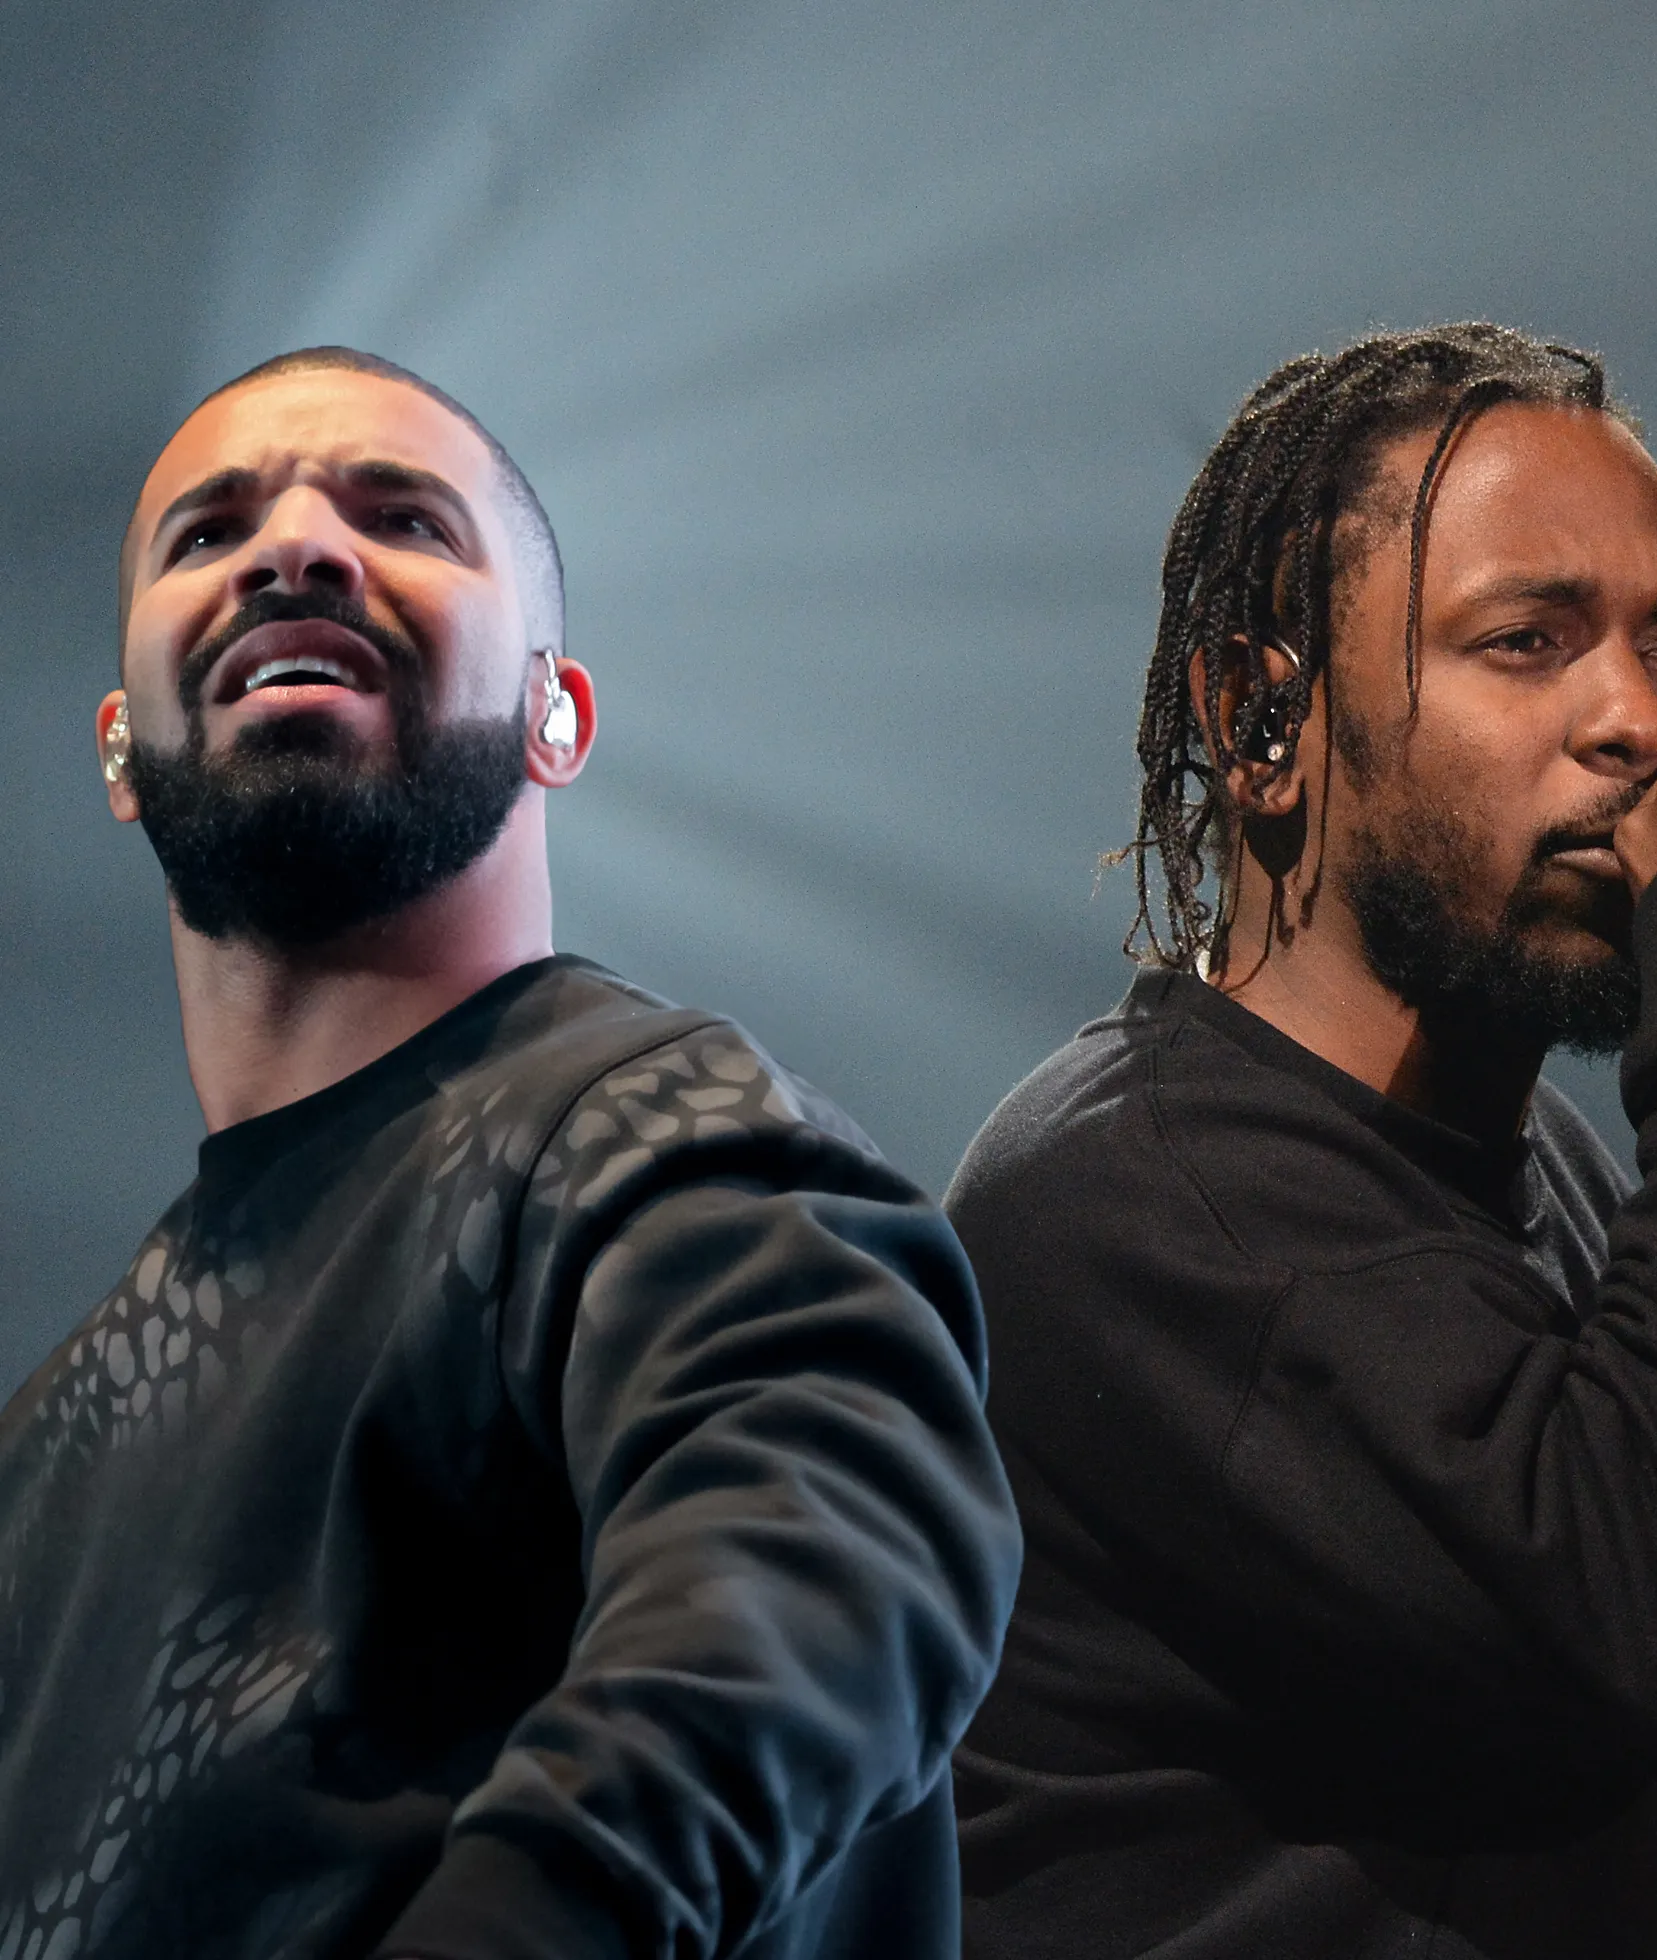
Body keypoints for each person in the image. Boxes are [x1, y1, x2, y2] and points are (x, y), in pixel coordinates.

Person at [0, 346, 1020, 1960]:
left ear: (557, 713)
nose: (297, 546)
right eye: (209, 532)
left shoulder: (659, 1144)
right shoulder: (44, 1446)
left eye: (404, 517)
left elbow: (826, 1571)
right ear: (119, 751)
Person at [948, 324, 1657, 1959]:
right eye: (1527, 643)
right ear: (1262, 720)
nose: (1642, 721)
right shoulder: (1146, 1202)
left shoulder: (1535, 1156)